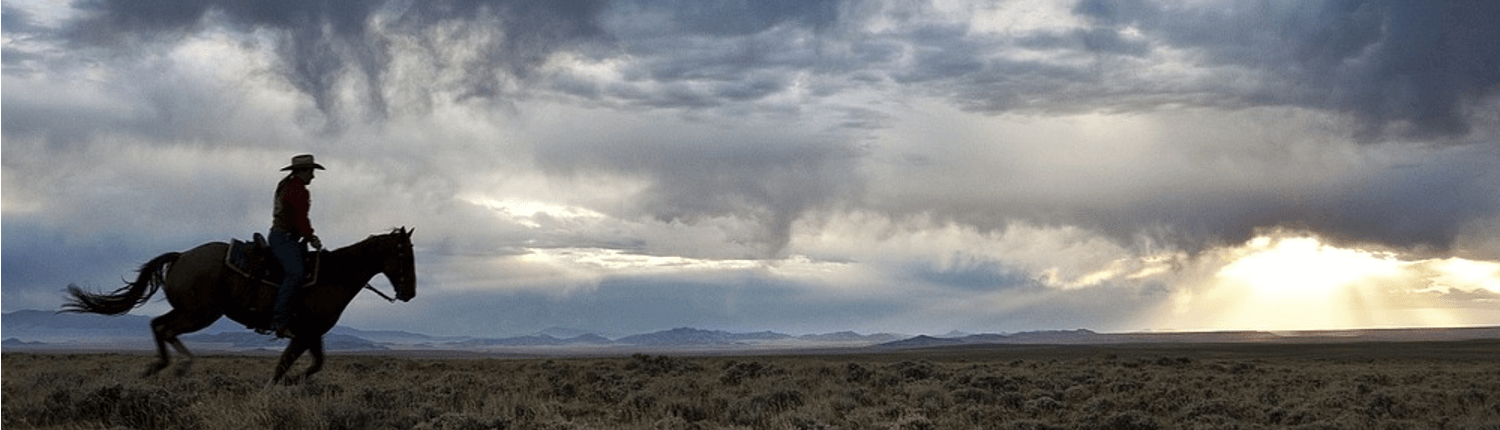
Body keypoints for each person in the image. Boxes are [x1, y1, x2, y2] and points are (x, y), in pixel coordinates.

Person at [268, 154, 324, 338]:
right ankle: (280, 320)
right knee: (296, 273)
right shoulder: (297, 189)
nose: (313, 176)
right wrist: (311, 237)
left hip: (283, 237)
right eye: (311, 172)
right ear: (302, 171)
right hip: (285, 238)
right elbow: (300, 218)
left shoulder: (286, 185)